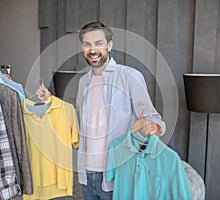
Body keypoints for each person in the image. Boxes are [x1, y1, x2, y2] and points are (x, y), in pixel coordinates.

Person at [36, 21, 166, 200]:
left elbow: (153, 118)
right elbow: (80, 120)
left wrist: (152, 127)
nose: (92, 49)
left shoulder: (129, 77)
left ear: (109, 45)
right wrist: (51, 100)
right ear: (82, 47)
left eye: (98, 43)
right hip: (86, 173)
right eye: (87, 44)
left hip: (116, 173)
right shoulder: (83, 82)